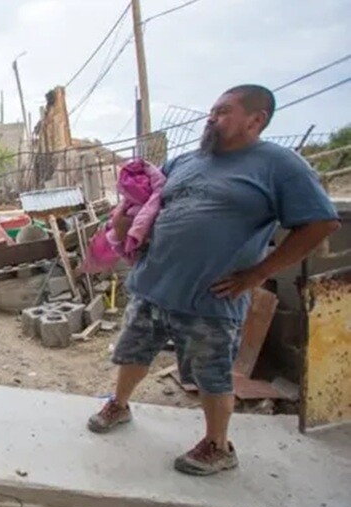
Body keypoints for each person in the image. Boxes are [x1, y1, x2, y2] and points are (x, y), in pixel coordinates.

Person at [87, 85, 340, 476]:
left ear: (256, 120)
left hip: (212, 297)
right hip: (155, 284)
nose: (211, 117)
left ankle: (218, 445)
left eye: (223, 111)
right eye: (212, 110)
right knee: (134, 351)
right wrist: (125, 224)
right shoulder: (185, 161)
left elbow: (321, 222)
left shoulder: (279, 166)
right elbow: (149, 206)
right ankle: (119, 405)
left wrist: (258, 274)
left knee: (212, 373)